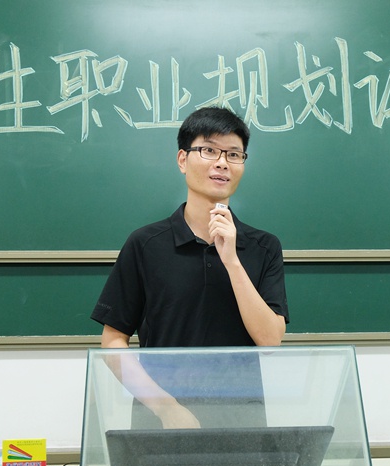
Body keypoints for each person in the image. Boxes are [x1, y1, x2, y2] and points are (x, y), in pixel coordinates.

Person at [91, 106, 289, 429]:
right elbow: (113, 341)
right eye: (209, 150)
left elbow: (270, 341)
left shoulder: (263, 247)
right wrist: (167, 409)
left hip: (241, 424)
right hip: (159, 424)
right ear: (182, 160)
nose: (222, 163)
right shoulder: (145, 244)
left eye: (234, 154)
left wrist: (232, 261)